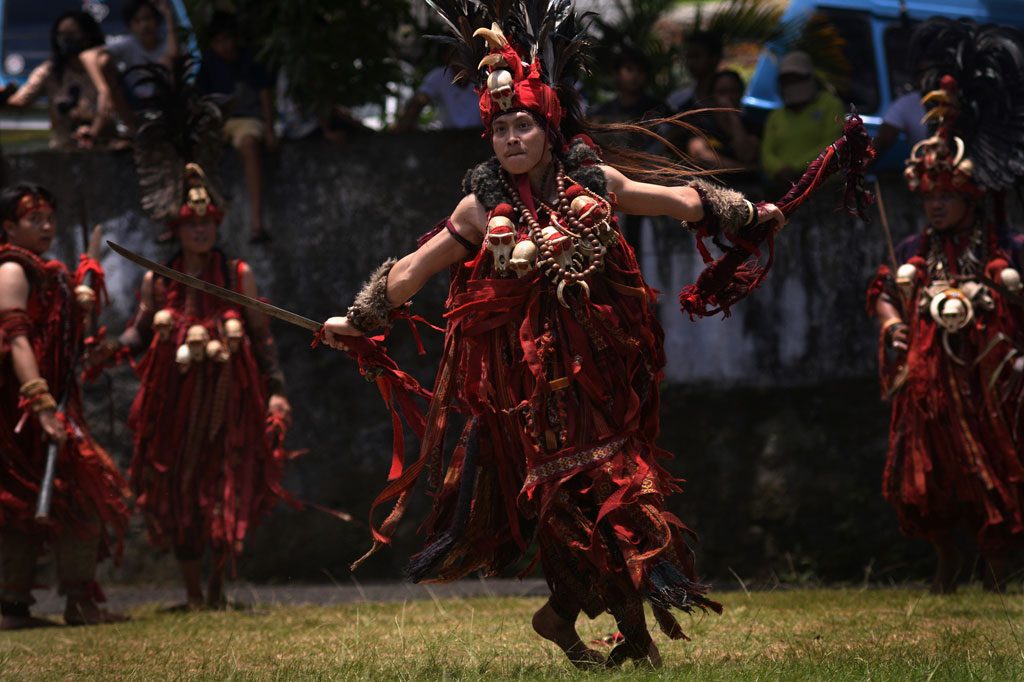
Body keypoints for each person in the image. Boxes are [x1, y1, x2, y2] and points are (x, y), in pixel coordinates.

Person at [321, 1, 786, 669]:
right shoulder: (479, 210)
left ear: (550, 127)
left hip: (603, 372)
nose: (512, 138)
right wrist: (362, 316)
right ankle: (637, 645)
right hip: (532, 388)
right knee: (591, 500)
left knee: (612, 495)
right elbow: (415, 270)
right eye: (501, 128)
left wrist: (745, 212)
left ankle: (567, 619)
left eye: (524, 125)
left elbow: (679, 201)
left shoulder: (594, 183)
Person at [89, 164, 294, 609]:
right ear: (175, 230)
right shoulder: (158, 278)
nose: (200, 230)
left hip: (231, 398)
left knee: (224, 483)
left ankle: (217, 591)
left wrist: (276, 389)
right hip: (173, 400)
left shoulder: (238, 273)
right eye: (190, 224)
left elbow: (261, 337)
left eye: (206, 223)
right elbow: (140, 331)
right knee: (177, 487)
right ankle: (193, 594)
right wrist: (111, 348)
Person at [867, 18, 1024, 595]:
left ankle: (997, 565)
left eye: (947, 196)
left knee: (996, 462)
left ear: (970, 198)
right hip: (928, 386)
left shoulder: (1009, 248)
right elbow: (883, 293)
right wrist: (893, 327)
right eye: (930, 197)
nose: (935, 206)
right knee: (927, 472)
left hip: (991, 382)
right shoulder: (913, 248)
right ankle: (946, 561)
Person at [0, 183, 130, 629]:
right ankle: (25, 607)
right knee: (44, 497)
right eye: (33, 219)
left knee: (68, 494)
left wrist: (83, 312)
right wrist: (39, 405)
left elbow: (60, 338)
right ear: (8, 226)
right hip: (22, 409)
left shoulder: (49, 273)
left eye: (49, 219)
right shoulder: (12, 269)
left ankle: (67, 602)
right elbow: (16, 338)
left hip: (55, 403)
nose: (46, 226)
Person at [196, 12, 276, 244]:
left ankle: (257, 223)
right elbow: (201, 102)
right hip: (220, 123)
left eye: (227, 39)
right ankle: (194, 219)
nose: (224, 45)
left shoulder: (251, 59)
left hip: (249, 120)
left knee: (249, 144)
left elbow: (265, 96)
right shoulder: (208, 63)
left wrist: (269, 130)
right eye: (218, 41)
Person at [4, 11, 123, 149]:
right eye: (61, 34)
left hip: (103, 150)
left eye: (72, 33)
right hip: (62, 151)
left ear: (87, 35)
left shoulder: (104, 68)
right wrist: (5, 96)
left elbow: (116, 109)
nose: (66, 39)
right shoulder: (49, 72)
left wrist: (92, 132)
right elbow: (21, 100)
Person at [760, 51, 844, 189]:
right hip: (784, 188)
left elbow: (833, 144)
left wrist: (796, 167)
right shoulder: (776, 116)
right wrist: (779, 170)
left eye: (796, 79)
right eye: (786, 80)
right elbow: (766, 153)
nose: (792, 85)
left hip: (823, 187)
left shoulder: (830, 105)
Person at [681, 69, 761, 181]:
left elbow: (746, 155)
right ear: (712, 95)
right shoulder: (701, 123)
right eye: (722, 92)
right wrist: (742, 168)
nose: (728, 97)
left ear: (741, 93)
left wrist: (734, 118)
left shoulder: (751, 125)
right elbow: (699, 154)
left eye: (733, 91)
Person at [106, 0, 181, 109]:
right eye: (137, 21)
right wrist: (104, 90)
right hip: (137, 103)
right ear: (129, 26)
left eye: (148, 18)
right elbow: (90, 56)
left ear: (157, 20)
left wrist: (168, 15)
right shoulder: (127, 44)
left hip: (167, 101)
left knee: (167, 61)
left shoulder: (167, 41)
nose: (145, 25)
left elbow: (174, 55)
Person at [392, 61, 484, 132]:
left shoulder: (484, 76)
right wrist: (404, 125)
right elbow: (418, 102)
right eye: (456, 54)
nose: (460, 59)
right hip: (447, 137)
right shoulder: (439, 76)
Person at [665, 30, 723, 114]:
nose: (690, 63)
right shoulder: (676, 101)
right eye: (688, 57)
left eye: (696, 56)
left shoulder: (729, 104)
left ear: (714, 58)